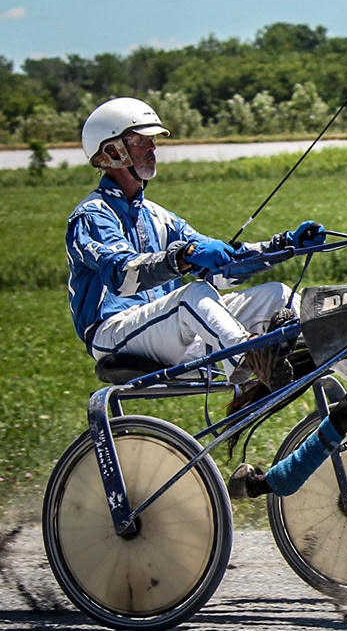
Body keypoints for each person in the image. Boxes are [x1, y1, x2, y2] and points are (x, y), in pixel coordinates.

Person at [65, 97, 324, 404]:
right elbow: (123, 275)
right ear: (111, 152)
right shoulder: (92, 215)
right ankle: (249, 358)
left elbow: (221, 268)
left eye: (152, 140)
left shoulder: (158, 216)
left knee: (277, 295)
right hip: (114, 335)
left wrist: (283, 246)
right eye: (140, 141)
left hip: (166, 330)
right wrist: (183, 256)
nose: (153, 148)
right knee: (193, 295)